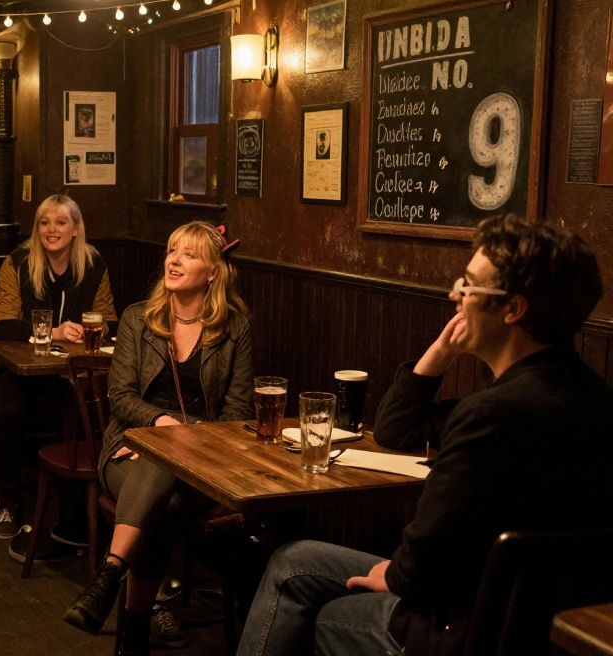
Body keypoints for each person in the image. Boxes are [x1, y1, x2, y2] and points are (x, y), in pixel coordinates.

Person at [236, 215, 613, 656]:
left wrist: (393, 575)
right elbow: (396, 430)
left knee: (312, 597)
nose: (455, 295)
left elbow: (418, 565)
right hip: (552, 629)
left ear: (512, 309)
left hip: (460, 629)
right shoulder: (594, 400)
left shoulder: (490, 415)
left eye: (469, 287)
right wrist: (440, 351)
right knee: (294, 559)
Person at [64, 221, 253, 655]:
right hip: (130, 444)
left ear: (213, 272)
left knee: (162, 491)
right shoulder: (137, 318)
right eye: (171, 250)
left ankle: (110, 581)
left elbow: (239, 414)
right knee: (159, 479)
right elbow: (121, 397)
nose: (174, 259)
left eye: (188, 254)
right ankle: (131, 628)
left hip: (207, 459)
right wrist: (164, 429)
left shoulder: (236, 328)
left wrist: (188, 442)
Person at [0, 194, 116, 539]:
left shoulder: (94, 264)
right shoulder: (19, 262)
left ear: (75, 229)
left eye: (60, 222)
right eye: (44, 222)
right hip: (12, 369)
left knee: (83, 408)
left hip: (68, 371)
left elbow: (109, 318)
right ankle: (8, 499)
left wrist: (87, 329)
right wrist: (51, 331)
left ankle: (75, 512)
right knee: (9, 409)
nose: (51, 229)